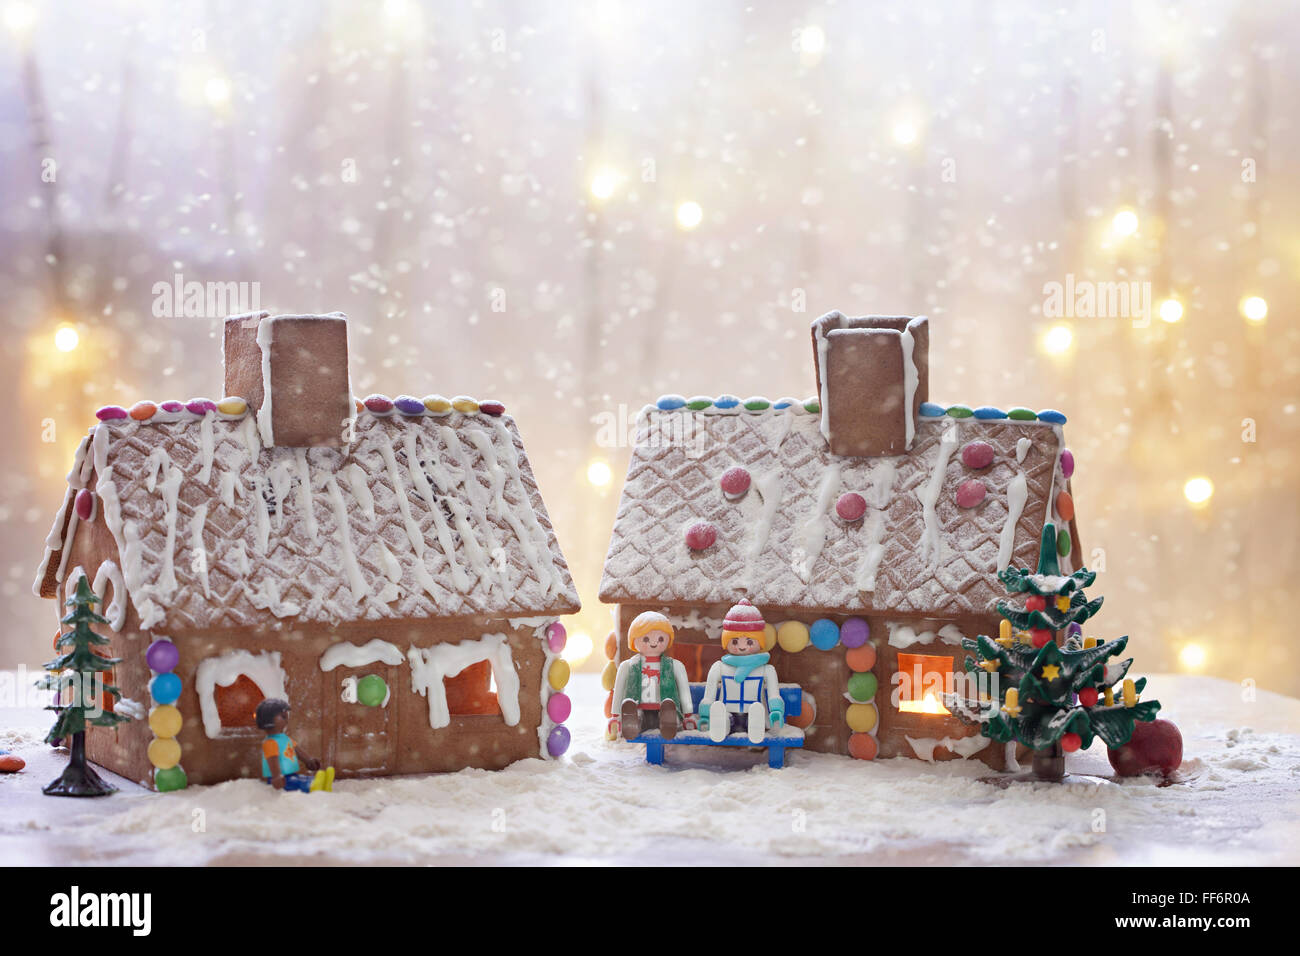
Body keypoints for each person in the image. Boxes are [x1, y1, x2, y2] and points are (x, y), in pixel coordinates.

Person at [698, 600, 784, 744]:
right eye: (735, 641)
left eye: (750, 642)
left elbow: (774, 694)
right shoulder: (719, 667)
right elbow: (709, 693)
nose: (742, 646)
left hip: (754, 710)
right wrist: (706, 713)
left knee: (756, 713)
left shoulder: (766, 669)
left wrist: (776, 710)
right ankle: (721, 725)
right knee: (723, 715)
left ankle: (755, 725)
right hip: (727, 709)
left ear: (760, 642)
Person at [612, 611, 696, 740]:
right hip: (639, 708)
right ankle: (630, 722)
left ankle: (670, 722)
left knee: (669, 714)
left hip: (664, 709)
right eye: (646, 639)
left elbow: (684, 689)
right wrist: (616, 716)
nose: (654, 643)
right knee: (636, 715)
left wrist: (688, 713)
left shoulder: (674, 665)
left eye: (661, 638)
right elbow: (618, 691)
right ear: (634, 640)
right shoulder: (628, 666)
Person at [255, 699, 332, 792]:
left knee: (302, 779)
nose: (287, 719)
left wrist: (308, 760)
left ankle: (322, 784)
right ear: (268, 720)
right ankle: (313, 786)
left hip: (291, 775)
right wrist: (276, 777)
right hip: (280, 780)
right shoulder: (270, 743)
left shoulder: (285, 738)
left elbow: (297, 750)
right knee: (298, 783)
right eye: (283, 716)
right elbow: (272, 760)